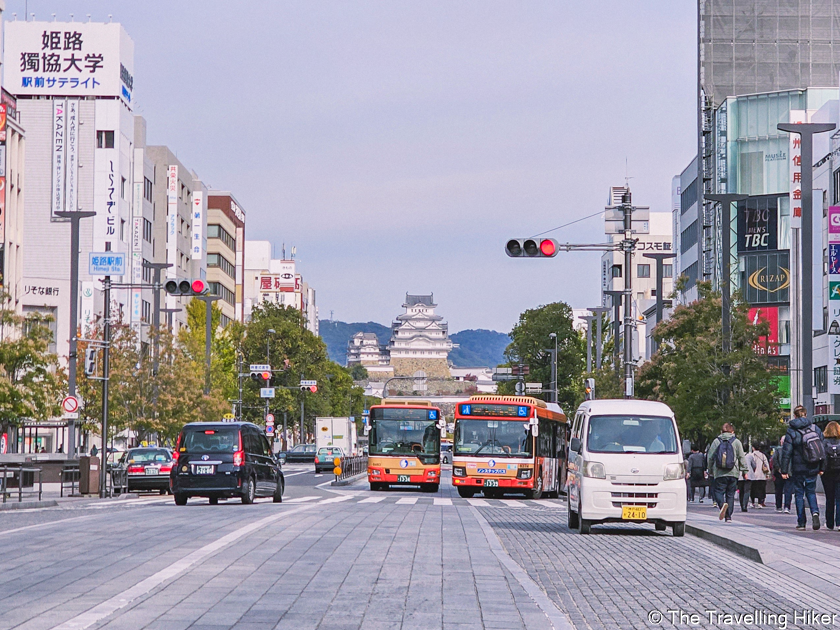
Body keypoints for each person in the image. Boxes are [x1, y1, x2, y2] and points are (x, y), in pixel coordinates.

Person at [781, 405, 826, 531]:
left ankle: (801, 522)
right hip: (813, 465)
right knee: (811, 491)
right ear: (806, 415)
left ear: (795, 416)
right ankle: (815, 512)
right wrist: (822, 467)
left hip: (798, 467)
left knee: (799, 494)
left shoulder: (791, 430)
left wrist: (784, 470)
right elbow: (822, 450)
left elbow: (787, 452)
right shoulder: (815, 428)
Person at [707, 422, 749, 522]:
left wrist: (710, 470)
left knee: (718, 491)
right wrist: (745, 471)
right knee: (730, 494)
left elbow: (710, 458)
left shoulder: (716, 441)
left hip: (719, 472)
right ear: (732, 431)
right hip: (733, 472)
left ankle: (722, 506)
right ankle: (728, 516)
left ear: (721, 432)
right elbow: (741, 457)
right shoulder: (736, 442)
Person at [822, 421, 840, 531]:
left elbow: (822, 457)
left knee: (829, 498)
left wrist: (821, 470)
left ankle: (829, 523)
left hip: (827, 473)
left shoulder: (823, 442)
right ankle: (839, 523)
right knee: (839, 498)